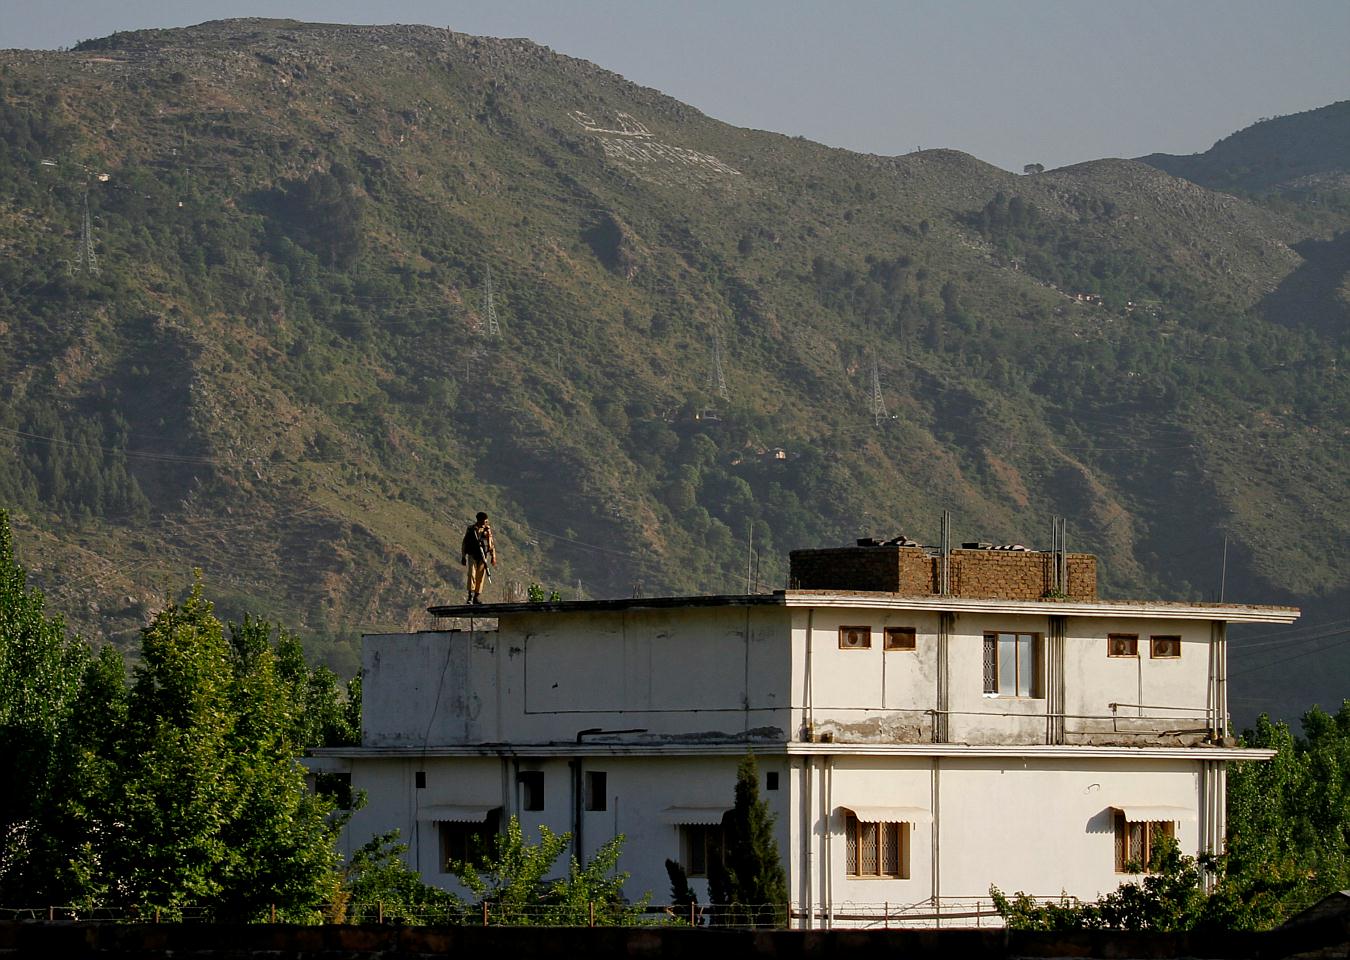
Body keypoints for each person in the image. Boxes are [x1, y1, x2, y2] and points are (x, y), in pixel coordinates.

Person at [460, 512, 496, 604]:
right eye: (484, 521)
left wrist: (493, 556)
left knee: (480, 577)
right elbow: (465, 543)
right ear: (479, 520)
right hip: (472, 555)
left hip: (483, 556)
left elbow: (490, 544)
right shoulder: (471, 529)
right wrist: (463, 556)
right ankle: (470, 596)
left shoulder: (487, 530)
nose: (486, 522)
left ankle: (476, 597)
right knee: (472, 574)